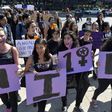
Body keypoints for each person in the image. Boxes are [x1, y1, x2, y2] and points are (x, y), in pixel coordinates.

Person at [20, 38, 54, 112]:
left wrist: (57, 68)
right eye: (37, 48)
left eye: (41, 47)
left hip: (46, 87)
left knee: (42, 104)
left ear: (45, 46)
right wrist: (32, 70)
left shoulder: (50, 57)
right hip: (35, 86)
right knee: (40, 105)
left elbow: (53, 69)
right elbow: (26, 71)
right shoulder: (31, 58)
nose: (39, 50)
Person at [58, 31, 79, 112]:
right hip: (64, 74)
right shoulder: (60, 49)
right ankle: (64, 105)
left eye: (68, 38)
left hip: (75, 74)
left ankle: (78, 104)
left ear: (72, 40)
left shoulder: (77, 48)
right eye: (64, 38)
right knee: (63, 90)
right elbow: (57, 62)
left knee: (79, 88)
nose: (66, 41)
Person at [0, 27, 19, 112]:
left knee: (14, 101)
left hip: (12, 80)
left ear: (6, 35)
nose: (0, 38)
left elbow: (17, 65)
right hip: (1, 81)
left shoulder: (12, 49)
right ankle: (8, 105)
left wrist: (18, 69)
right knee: (3, 98)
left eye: (1, 35)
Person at [91, 37, 112, 108]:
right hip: (105, 73)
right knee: (102, 88)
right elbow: (97, 61)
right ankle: (94, 98)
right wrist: (98, 62)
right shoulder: (104, 49)